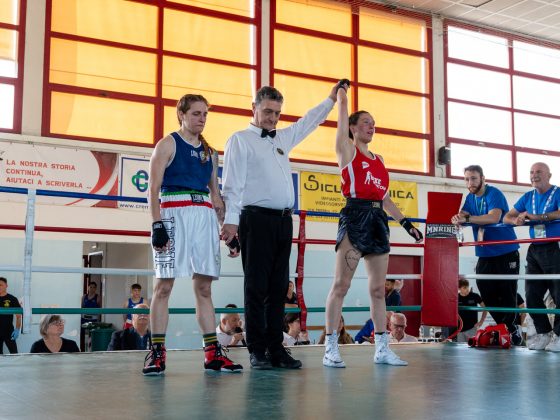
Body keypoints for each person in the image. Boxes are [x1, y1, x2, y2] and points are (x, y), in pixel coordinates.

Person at [221, 83, 340, 370]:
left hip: (283, 221)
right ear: (254, 108)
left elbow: (308, 122)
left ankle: (276, 348)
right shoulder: (240, 140)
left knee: (278, 289)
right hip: (255, 220)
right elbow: (231, 185)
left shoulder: (282, 138)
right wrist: (231, 224)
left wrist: (331, 99)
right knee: (256, 287)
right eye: (267, 111)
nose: (272, 118)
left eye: (277, 113)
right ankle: (257, 350)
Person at [323, 82, 423, 368]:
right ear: (353, 128)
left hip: (378, 221)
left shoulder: (379, 160)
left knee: (379, 290)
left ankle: (381, 349)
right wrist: (342, 93)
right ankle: (330, 348)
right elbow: (342, 114)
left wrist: (407, 224)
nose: (372, 127)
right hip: (354, 216)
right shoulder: (347, 150)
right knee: (341, 285)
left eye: (374, 123)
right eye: (366, 122)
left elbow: (385, 198)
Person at [146, 93, 242, 375]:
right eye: (196, 113)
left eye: (205, 114)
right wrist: (156, 224)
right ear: (182, 114)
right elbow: (152, 189)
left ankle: (212, 353)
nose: (202, 119)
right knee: (163, 287)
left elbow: (216, 196)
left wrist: (228, 230)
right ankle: (157, 353)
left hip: (203, 216)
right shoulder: (167, 144)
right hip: (173, 213)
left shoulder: (210, 153)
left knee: (204, 288)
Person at [451, 165, 522, 345]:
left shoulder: (494, 193)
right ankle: (504, 327)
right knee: (485, 288)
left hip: (506, 251)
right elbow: (464, 213)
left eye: (474, 178)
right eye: (467, 179)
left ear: (483, 178)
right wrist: (458, 218)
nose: (470, 182)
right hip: (484, 253)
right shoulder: (470, 197)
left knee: (507, 292)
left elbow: (494, 217)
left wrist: (467, 219)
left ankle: (512, 329)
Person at [504, 162, 560, 352]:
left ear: (549, 175)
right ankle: (544, 333)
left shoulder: (557, 192)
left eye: (539, 172)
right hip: (535, 248)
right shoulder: (528, 196)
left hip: (555, 246)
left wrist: (538, 217)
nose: (534, 175)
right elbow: (506, 217)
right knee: (531, 294)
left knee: (558, 294)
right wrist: (517, 220)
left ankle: (559, 335)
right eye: (531, 172)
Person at [0, 277, 22, 354]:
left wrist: (17, 329)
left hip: (9, 331)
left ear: (6, 285)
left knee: (14, 354)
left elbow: (18, 316)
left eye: (1, 285)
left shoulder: (12, 299)